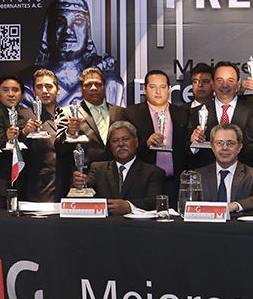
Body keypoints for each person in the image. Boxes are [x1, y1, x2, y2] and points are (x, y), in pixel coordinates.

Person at [28, 0, 125, 107]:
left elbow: (113, 123)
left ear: (88, 30)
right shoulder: (28, 82)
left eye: (78, 22)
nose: (68, 31)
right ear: (48, 29)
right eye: (59, 22)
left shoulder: (109, 82)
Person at [70, 121, 164, 214]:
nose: (121, 144)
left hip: (137, 227)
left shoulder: (153, 172)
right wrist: (80, 184)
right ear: (110, 146)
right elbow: (86, 191)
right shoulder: (98, 169)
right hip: (104, 226)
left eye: (125, 139)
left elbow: (155, 201)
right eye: (115, 140)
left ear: (136, 142)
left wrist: (129, 206)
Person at [187, 61, 253, 170]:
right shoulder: (195, 113)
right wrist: (194, 144)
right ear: (213, 84)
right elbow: (187, 153)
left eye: (230, 80)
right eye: (220, 80)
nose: (225, 85)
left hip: (244, 179)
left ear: (238, 84)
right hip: (207, 179)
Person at [125, 69, 189, 197]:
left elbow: (187, 150)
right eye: (153, 87)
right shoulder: (131, 114)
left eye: (162, 87)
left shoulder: (183, 114)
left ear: (169, 89)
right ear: (144, 89)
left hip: (175, 183)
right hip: (144, 183)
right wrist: (146, 144)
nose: (158, 92)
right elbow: (125, 149)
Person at [59, 67, 126, 168]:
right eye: (88, 85)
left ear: (104, 86)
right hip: (84, 176)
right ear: (81, 88)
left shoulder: (120, 112)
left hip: (116, 174)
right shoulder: (68, 113)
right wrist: (69, 133)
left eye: (98, 84)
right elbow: (60, 150)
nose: (93, 88)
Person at [0, 75, 35, 209]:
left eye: (15, 90)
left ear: (22, 95)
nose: (11, 94)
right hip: (2, 186)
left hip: (23, 185)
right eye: (5, 90)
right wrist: (14, 137)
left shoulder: (26, 115)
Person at [199, 124, 253, 214]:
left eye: (230, 143)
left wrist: (235, 206)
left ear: (239, 147)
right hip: (207, 227)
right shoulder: (199, 175)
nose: (224, 148)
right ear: (212, 147)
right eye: (220, 143)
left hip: (239, 226)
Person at [25, 69, 69, 201]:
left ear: (58, 89)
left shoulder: (70, 116)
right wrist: (24, 133)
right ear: (33, 92)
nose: (44, 91)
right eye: (39, 87)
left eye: (49, 86)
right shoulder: (24, 116)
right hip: (38, 190)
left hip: (69, 188)